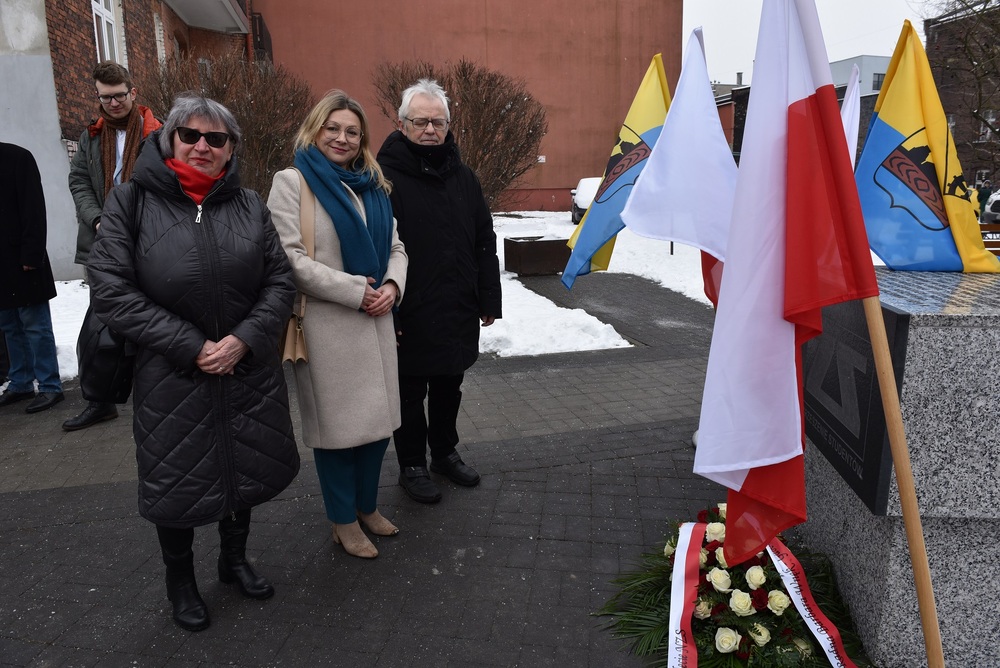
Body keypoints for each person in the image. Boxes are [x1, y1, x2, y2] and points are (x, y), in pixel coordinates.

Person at [86, 95, 300, 632]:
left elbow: (279, 280)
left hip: (244, 368)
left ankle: (234, 560)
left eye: (217, 138)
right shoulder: (131, 201)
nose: (202, 146)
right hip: (171, 373)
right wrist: (192, 345)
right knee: (176, 483)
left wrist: (244, 340)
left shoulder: (249, 204)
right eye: (190, 135)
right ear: (169, 139)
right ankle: (179, 580)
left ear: (231, 149)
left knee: (242, 467)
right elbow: (111, 290)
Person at [268, 90, 407, 559]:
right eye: (333, 128)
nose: (342, 138)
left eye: (352, 131)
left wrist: (391, 286)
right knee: (337, 435)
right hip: (329, 328)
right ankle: (342, 521)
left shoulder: (374, 183)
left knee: (378, 428)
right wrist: (355, 290)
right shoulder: (292, 183)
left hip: (377, 321)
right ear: (315, 129)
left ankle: (367, 508)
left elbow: (396, 248)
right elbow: (289, 260)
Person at [377, 79, 502, 504]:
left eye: (438, 121)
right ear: (402, 123)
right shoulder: (383, 177)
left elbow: (484, 239)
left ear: (448, 125)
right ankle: (411, 464)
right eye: (421, 121)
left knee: (450, 385)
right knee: (410, 392)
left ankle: (444, 453)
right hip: (408, 308)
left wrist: (489, 299)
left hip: (457, 306)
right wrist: (388, 310)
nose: (430, 129)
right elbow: (377, 248)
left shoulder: (464, 177)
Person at [65, 61, 160, 431]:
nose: (113, 103)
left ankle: (156, 395)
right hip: (103, 242)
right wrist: (98, 219)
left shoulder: (157, 133)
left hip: (147, 240)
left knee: (152, 317)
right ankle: (100, 400)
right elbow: (78, 182)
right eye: (105, 97)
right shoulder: (91, 136)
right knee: (101, 325)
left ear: (132, 92)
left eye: (119, 95)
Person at [0, 142, 64, 413]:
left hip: (22, 258)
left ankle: (50, 386)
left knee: (35, 326)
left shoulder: (17, 157)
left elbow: (33, 208)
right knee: (9, 326)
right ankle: (21, 382)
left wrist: (32, 254)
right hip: (1, 264)